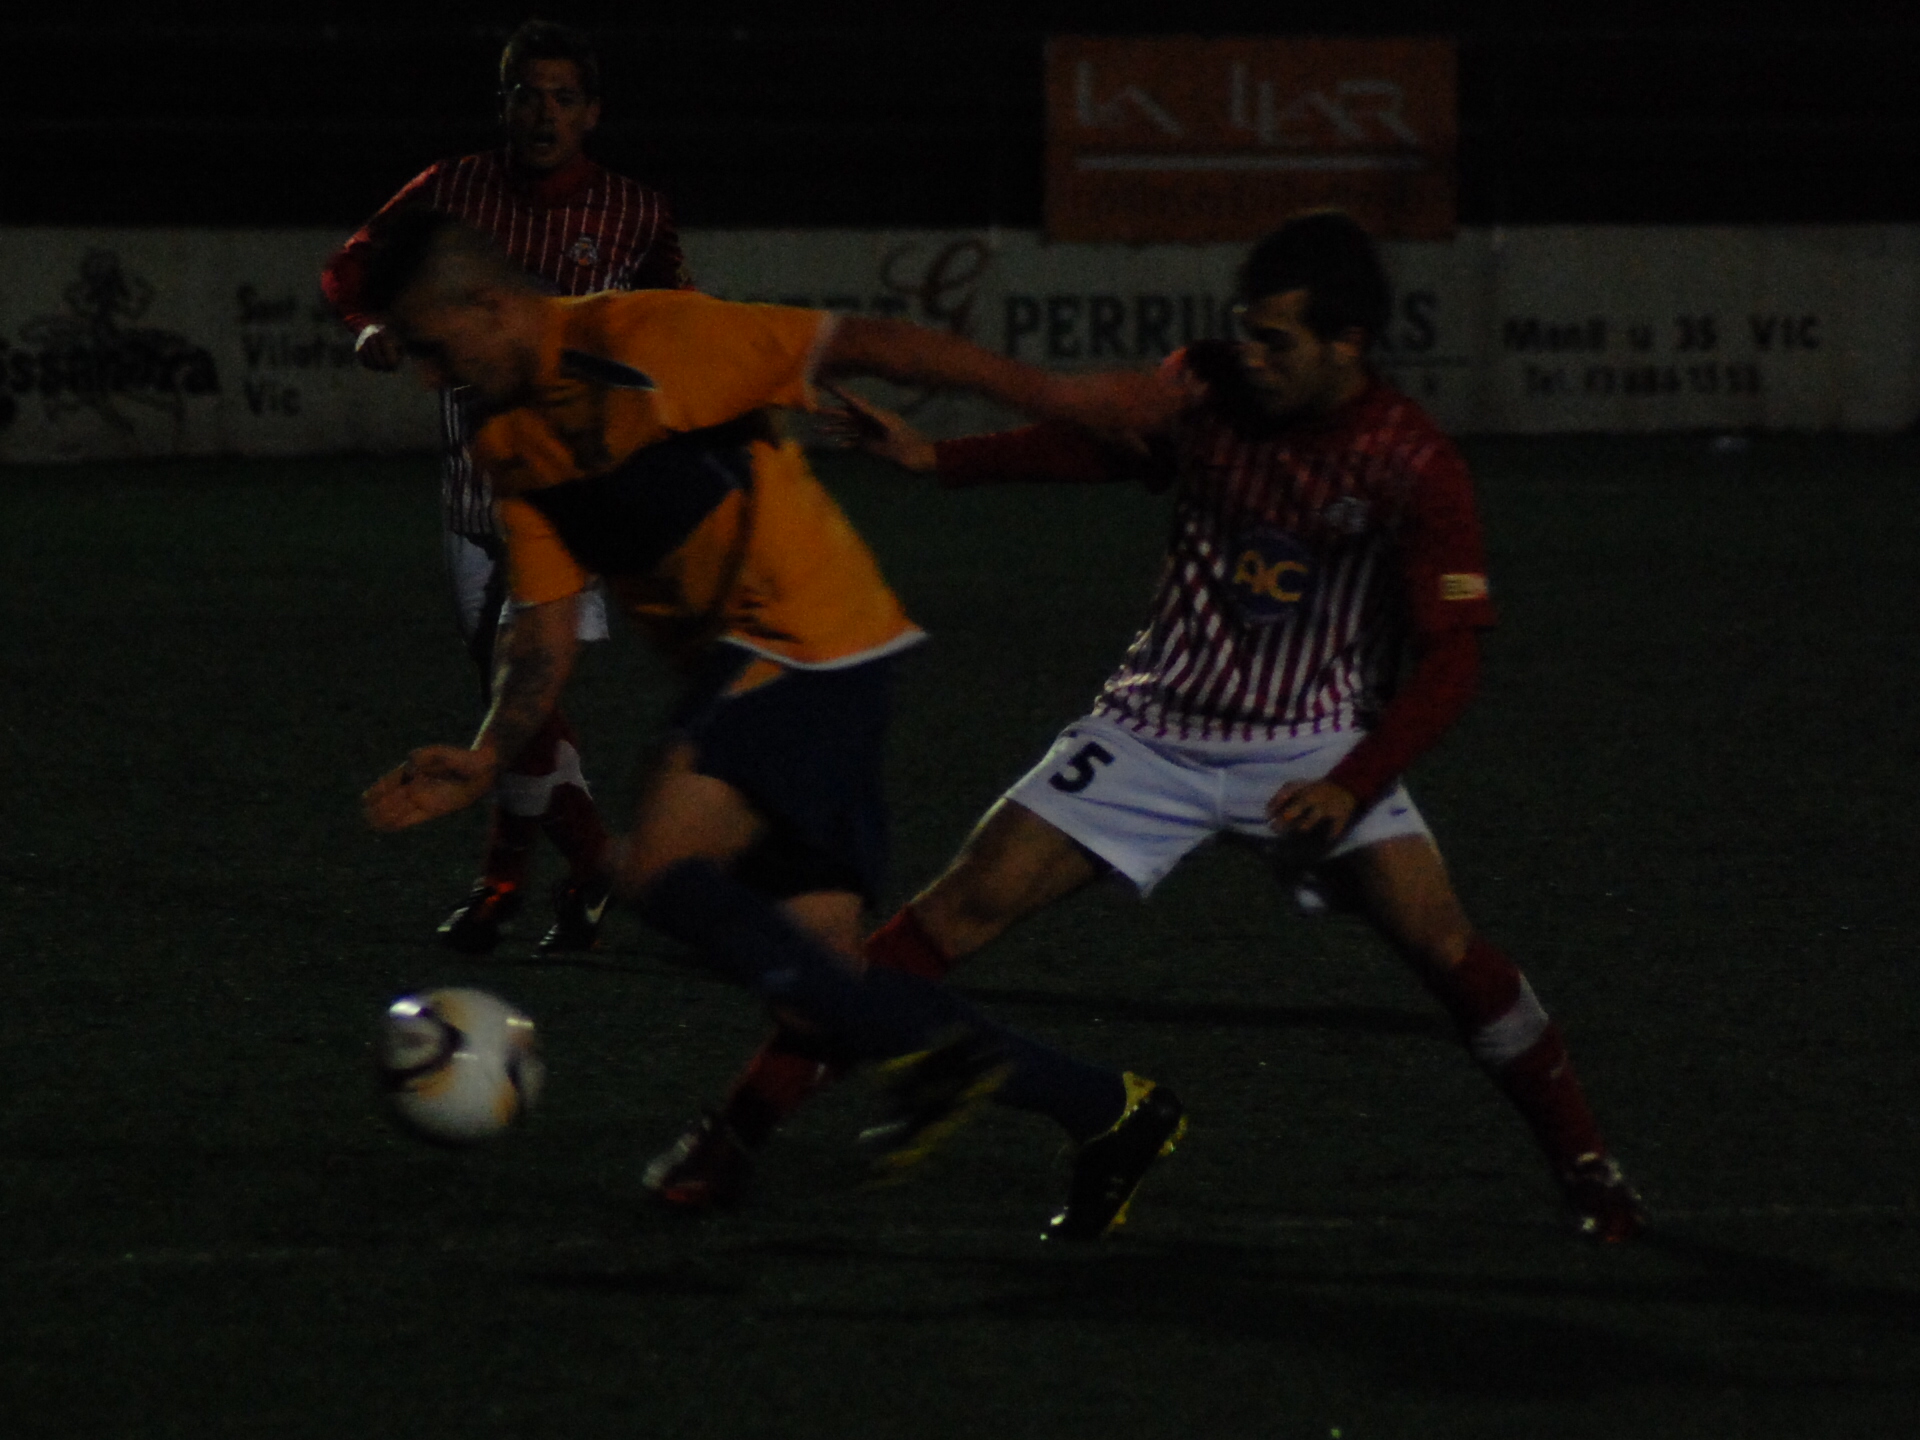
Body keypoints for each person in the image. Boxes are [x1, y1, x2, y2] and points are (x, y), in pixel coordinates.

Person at [653, 211, 1646, 1243]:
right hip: (1152, 728)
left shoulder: (1412, 463)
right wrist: (942, 462)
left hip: (1313, 750)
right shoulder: (1208, 388)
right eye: (1246, 332)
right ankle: (731, 1137)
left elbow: (1455, 658)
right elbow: (1102, 448)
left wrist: (1356, 779)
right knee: (947, 916)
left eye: (1278, 341)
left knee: (1446, 948)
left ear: (1348, 345)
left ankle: (1585, 1164)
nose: (1250, 356)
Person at [354, 208, 1194, 1239]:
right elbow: (543, 625)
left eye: (434, 349)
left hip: (804, 638)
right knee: (823, 990)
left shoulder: (646, 338)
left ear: (490, 304)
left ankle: (945, 1063)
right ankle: (1105, 1110)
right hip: (801, 662)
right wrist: (490, 753)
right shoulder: (505, 436)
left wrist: (1069, 397)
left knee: (656, 866)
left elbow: (867, 341)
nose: (430, 379)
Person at [323, 18, 688, 956]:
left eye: (563, 97)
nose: (544, 113)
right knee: (518, 703)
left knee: (519, 694)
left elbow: (675, 323)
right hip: (470, 498)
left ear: (593, 113)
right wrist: (372, 327)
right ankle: (551, 883)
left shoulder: (635, 212)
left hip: (573, 502)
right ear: (503, 103)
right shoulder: (452, 190)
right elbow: (350, 270)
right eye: (528, 93)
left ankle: (535, 881)